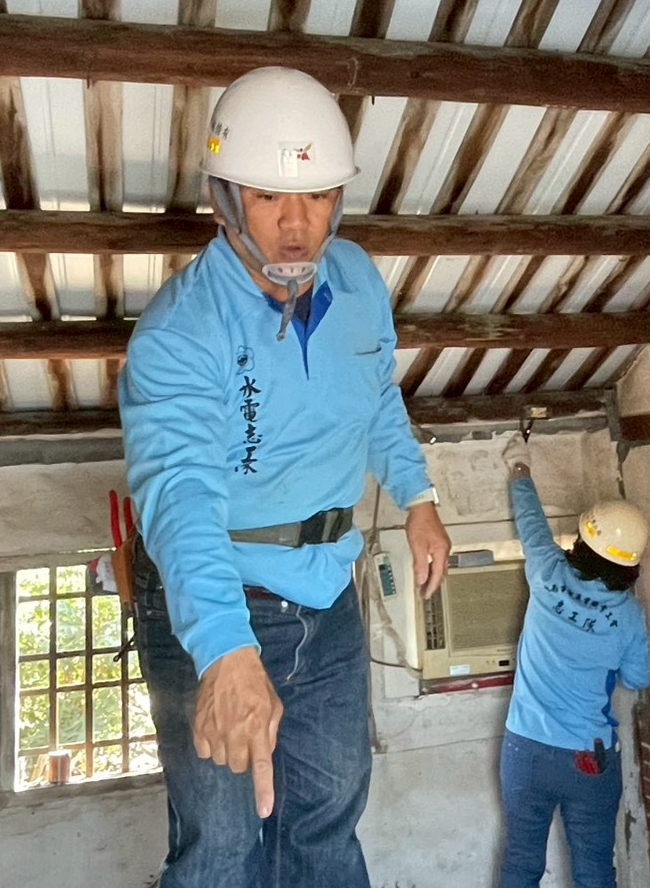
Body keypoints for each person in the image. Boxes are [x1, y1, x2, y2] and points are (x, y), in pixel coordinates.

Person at [119, 66, 452, 887]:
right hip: (221, 600)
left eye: (318, 196)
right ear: (224, 197)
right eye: (269, 197)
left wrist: (417, 497)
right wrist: (225, 650)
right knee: (221, 848)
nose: (297, 226)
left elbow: (377, 397)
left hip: (328, 597)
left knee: (327, 824)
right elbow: (179, 499)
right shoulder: (179, 333)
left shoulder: (357, 280)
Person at [498, 434, 650, 888]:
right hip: (588, 757)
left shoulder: (547, 571)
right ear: (630, 565)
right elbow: (639, 677)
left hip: (525, 749)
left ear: (583, 542)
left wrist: (520, 466)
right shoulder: (628, 616)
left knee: (521, 863)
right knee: (594, 869)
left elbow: (531, 522)